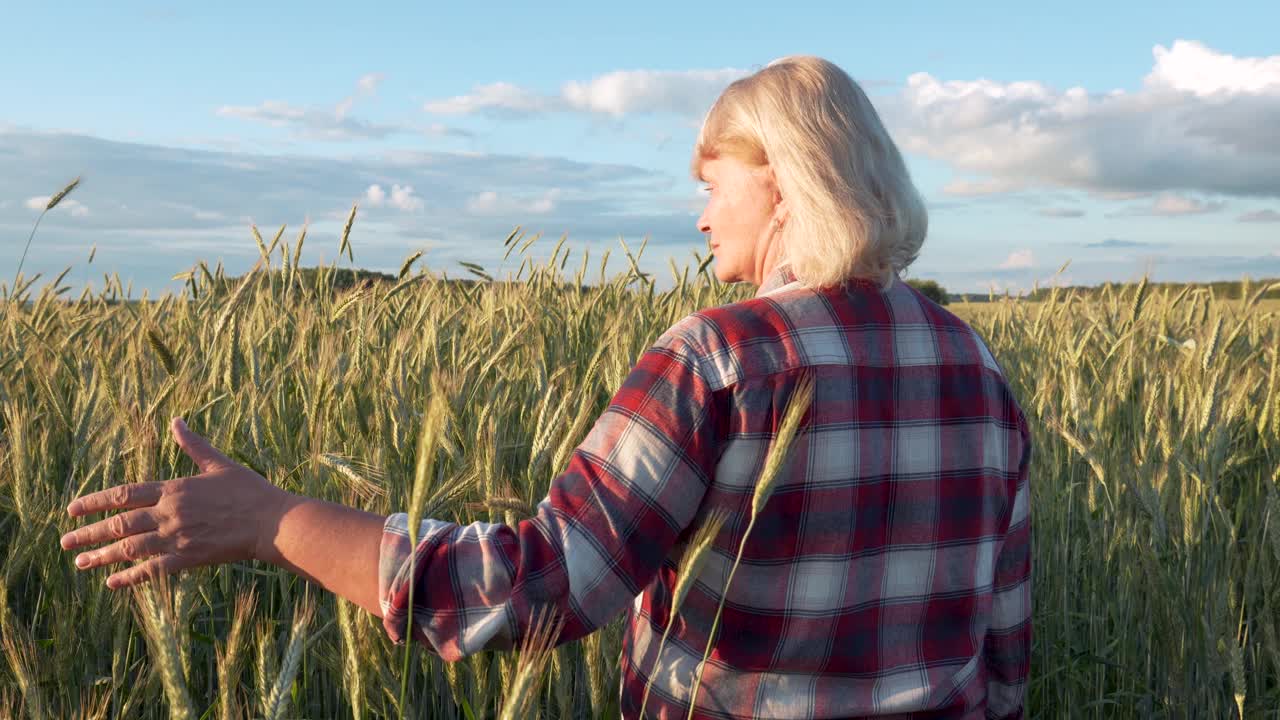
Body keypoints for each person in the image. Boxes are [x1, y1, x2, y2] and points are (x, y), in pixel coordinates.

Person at [58, 55, 1032, 719]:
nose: (699, 219)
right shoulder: (974, 365)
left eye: (709, 183)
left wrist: (273, 521)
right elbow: (999, 651)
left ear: (779, 177)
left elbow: (542, 587)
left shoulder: (717, 357)